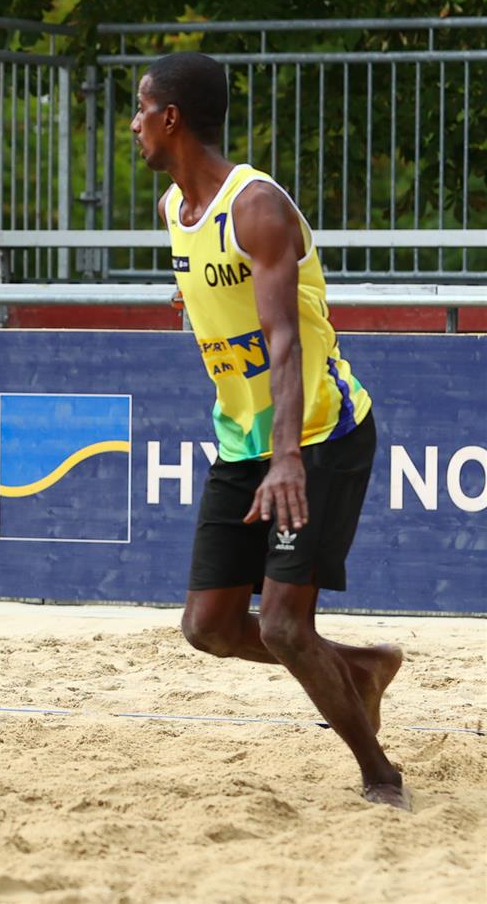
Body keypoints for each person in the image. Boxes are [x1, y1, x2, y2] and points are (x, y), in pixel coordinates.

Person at [131, 53, 407, 809]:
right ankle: (362, 668)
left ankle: (380, 776)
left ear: (171, 118)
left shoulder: (255, 206)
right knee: (209, 627)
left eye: (141, 110)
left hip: (318, 435)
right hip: (242, 438)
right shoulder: (173, 210)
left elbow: (285, 341)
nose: (135, 125)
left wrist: (287, 458)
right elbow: (219, 298)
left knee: (285, 625)